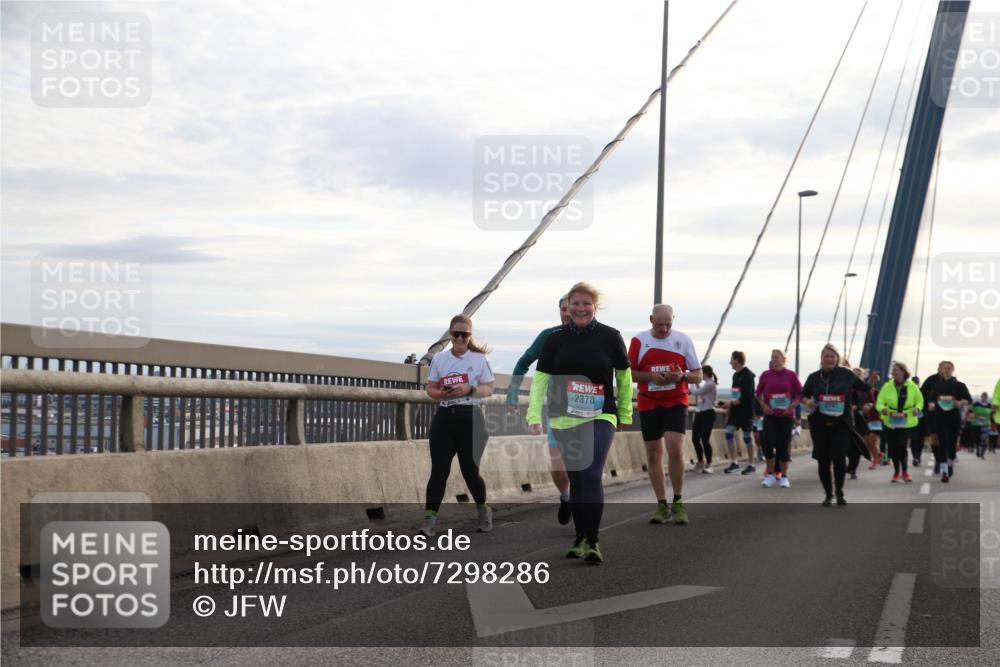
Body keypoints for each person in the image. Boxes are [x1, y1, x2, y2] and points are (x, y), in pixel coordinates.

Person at [527, 282, 633, 564]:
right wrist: (533, 414)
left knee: (590, 471)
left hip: (601, 414)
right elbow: (540, 381)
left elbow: (623, 377)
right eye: (575, 304)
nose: (581, 308)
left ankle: (593, 539)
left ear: (595, 307)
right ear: (567, 307)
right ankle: (580, 536)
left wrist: (625, 412)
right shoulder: (554, 339)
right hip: (564, 416)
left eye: (586, 304)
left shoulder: (610, 337)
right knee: (576, 476)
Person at [420, 315, 496, 537]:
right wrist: (442, 392)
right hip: (445, 417)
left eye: (465, 334)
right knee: (439, 471)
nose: (461, 338)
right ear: (450, 335)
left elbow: (489, 388)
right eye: (456, 334)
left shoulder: (479, 359)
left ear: (470, 336)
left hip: (470, 417)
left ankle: (483, 511)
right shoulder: (440, 359)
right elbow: (431, 390)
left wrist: (469, 390)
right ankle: (429, 521)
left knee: (470, 471)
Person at [628, 304, 703, 525]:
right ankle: (661, 504)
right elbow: (629, 373)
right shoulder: (639, 341)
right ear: (651, 319)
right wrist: (650, 377)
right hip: (649, 401)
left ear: (673, 320)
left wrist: (681, 377)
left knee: (675, 448)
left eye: (668, 324)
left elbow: (698, 375)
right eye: (659, 324)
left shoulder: (683, 340)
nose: (664, 329)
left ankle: (678, 501)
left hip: (675, 400)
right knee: (653, 454)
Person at [506, 296, 573, 524]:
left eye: (572, 308)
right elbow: (523, 362)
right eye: (564, 309)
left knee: (585, 469)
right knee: (559, 469)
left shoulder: (596, 337)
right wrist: (513, 395)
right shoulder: (549, 336)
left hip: (589, 413)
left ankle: (586, 522)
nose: (568, 313)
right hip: (558, 411)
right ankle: (566, 497)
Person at [801, 344, 870, 506]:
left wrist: (871, 381)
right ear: (821, 358)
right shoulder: (814, 377)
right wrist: (808, 401)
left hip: (842, 423)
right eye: (826, 356)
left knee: (839, 457)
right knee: (823, 460)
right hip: (820, 424)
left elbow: (864, 388)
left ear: (837, 358)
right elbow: (803, 395)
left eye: (832, 356)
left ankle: (839, 491)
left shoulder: (846, 374)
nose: (829, 359)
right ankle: (828, 494)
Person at [756, 349, 801, 489]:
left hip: (786, 416)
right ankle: (770, 474)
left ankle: (784, 476)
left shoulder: (791, 375)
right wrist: (763, 405)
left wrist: (792, 406)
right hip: (770, 415)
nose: (774, 360)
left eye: (777, 357)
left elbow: (801, 393)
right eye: (772, 358)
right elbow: (758, 393)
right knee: (767, 443)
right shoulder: (765, 375)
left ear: (783, 359)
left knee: (782, 447)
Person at [876, 361, 924, 484]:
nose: (893, 372)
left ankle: (905, 472)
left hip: (906, 421)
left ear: (903, 372)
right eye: (893, 370)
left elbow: (920, 401)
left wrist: (917, 409)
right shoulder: (887, 386)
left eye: (896, 370)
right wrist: (883, 409)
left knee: (901, 446)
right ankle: (896, 471)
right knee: (892, 448)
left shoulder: (912, 386)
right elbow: (879, 402)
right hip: (890, 421)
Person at [925, 361, 972, 474]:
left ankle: (950, 461)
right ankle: (943, 467)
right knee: (942, 442)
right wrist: (931, 405)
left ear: (952, 370)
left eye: (949, 368)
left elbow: (969, 400)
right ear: (942, 370)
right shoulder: (937, 385)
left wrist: (960, 402)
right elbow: (931, 399)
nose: (946, 370)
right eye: (945, 368)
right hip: (940, 417)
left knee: (951, 443)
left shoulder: (960, 385)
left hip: (954, 418)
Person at [723, 351, 757, 475]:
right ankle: (734, 462)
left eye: (732, 359)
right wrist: (730, 408)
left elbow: (748, 396)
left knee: (747, 437)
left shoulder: (748, 375)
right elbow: (735, 394)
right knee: (728, 432)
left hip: (746, 412)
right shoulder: (735, 376)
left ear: (737, 360)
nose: (730, 362)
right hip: (735, 412)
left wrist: (731, 404)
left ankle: (751, 464)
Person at [846, 367, 877, 480]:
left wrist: (863, 406)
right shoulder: (845, 386)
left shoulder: (864, 388)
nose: (855, 375)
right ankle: (848, 465)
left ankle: (853, 469)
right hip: (846, 419)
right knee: (847, 445)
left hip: (859, 419)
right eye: (853, 373)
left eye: (858, 374)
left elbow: (872, 402)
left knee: (858, 446)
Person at [690, 365, 719, 474]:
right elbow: (699, 389)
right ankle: (700, 461)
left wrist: (691, 379)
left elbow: (695, 392)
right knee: (695, 438)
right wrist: (695, 380)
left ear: (705, 373)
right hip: (700, 412)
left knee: (705, 439)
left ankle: (709, 463)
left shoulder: (711, 384)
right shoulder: (706, 384)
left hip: (708, 413)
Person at [970, 392, 994, 461]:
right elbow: (970, 411)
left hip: (986, 424)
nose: (984, 398)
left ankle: (982, 454)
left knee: (985, 439)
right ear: (981, 397)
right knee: (978, 439)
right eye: (983, 396)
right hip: (976, 424)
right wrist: (975, 416)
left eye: (985, 397)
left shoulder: (989, 405)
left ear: (987, 397)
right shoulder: (976, 404)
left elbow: (992, 414)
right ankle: (978, 449)